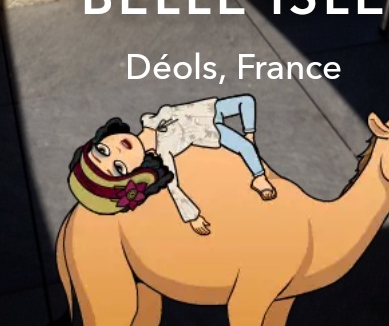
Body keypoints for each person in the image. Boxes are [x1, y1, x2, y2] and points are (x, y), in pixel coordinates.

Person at [71, 94, 276, 236]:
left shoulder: (148, 121)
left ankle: (250, 140)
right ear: (135, 174)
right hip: (209, 130)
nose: (118, 151)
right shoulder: (163, 153)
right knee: (244, 147)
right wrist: (192, 217)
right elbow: (174, 188)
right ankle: (259, 179)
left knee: (247, 102)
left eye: (102, 151)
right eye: (118, 168)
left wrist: (250, 136)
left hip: (207, 110)